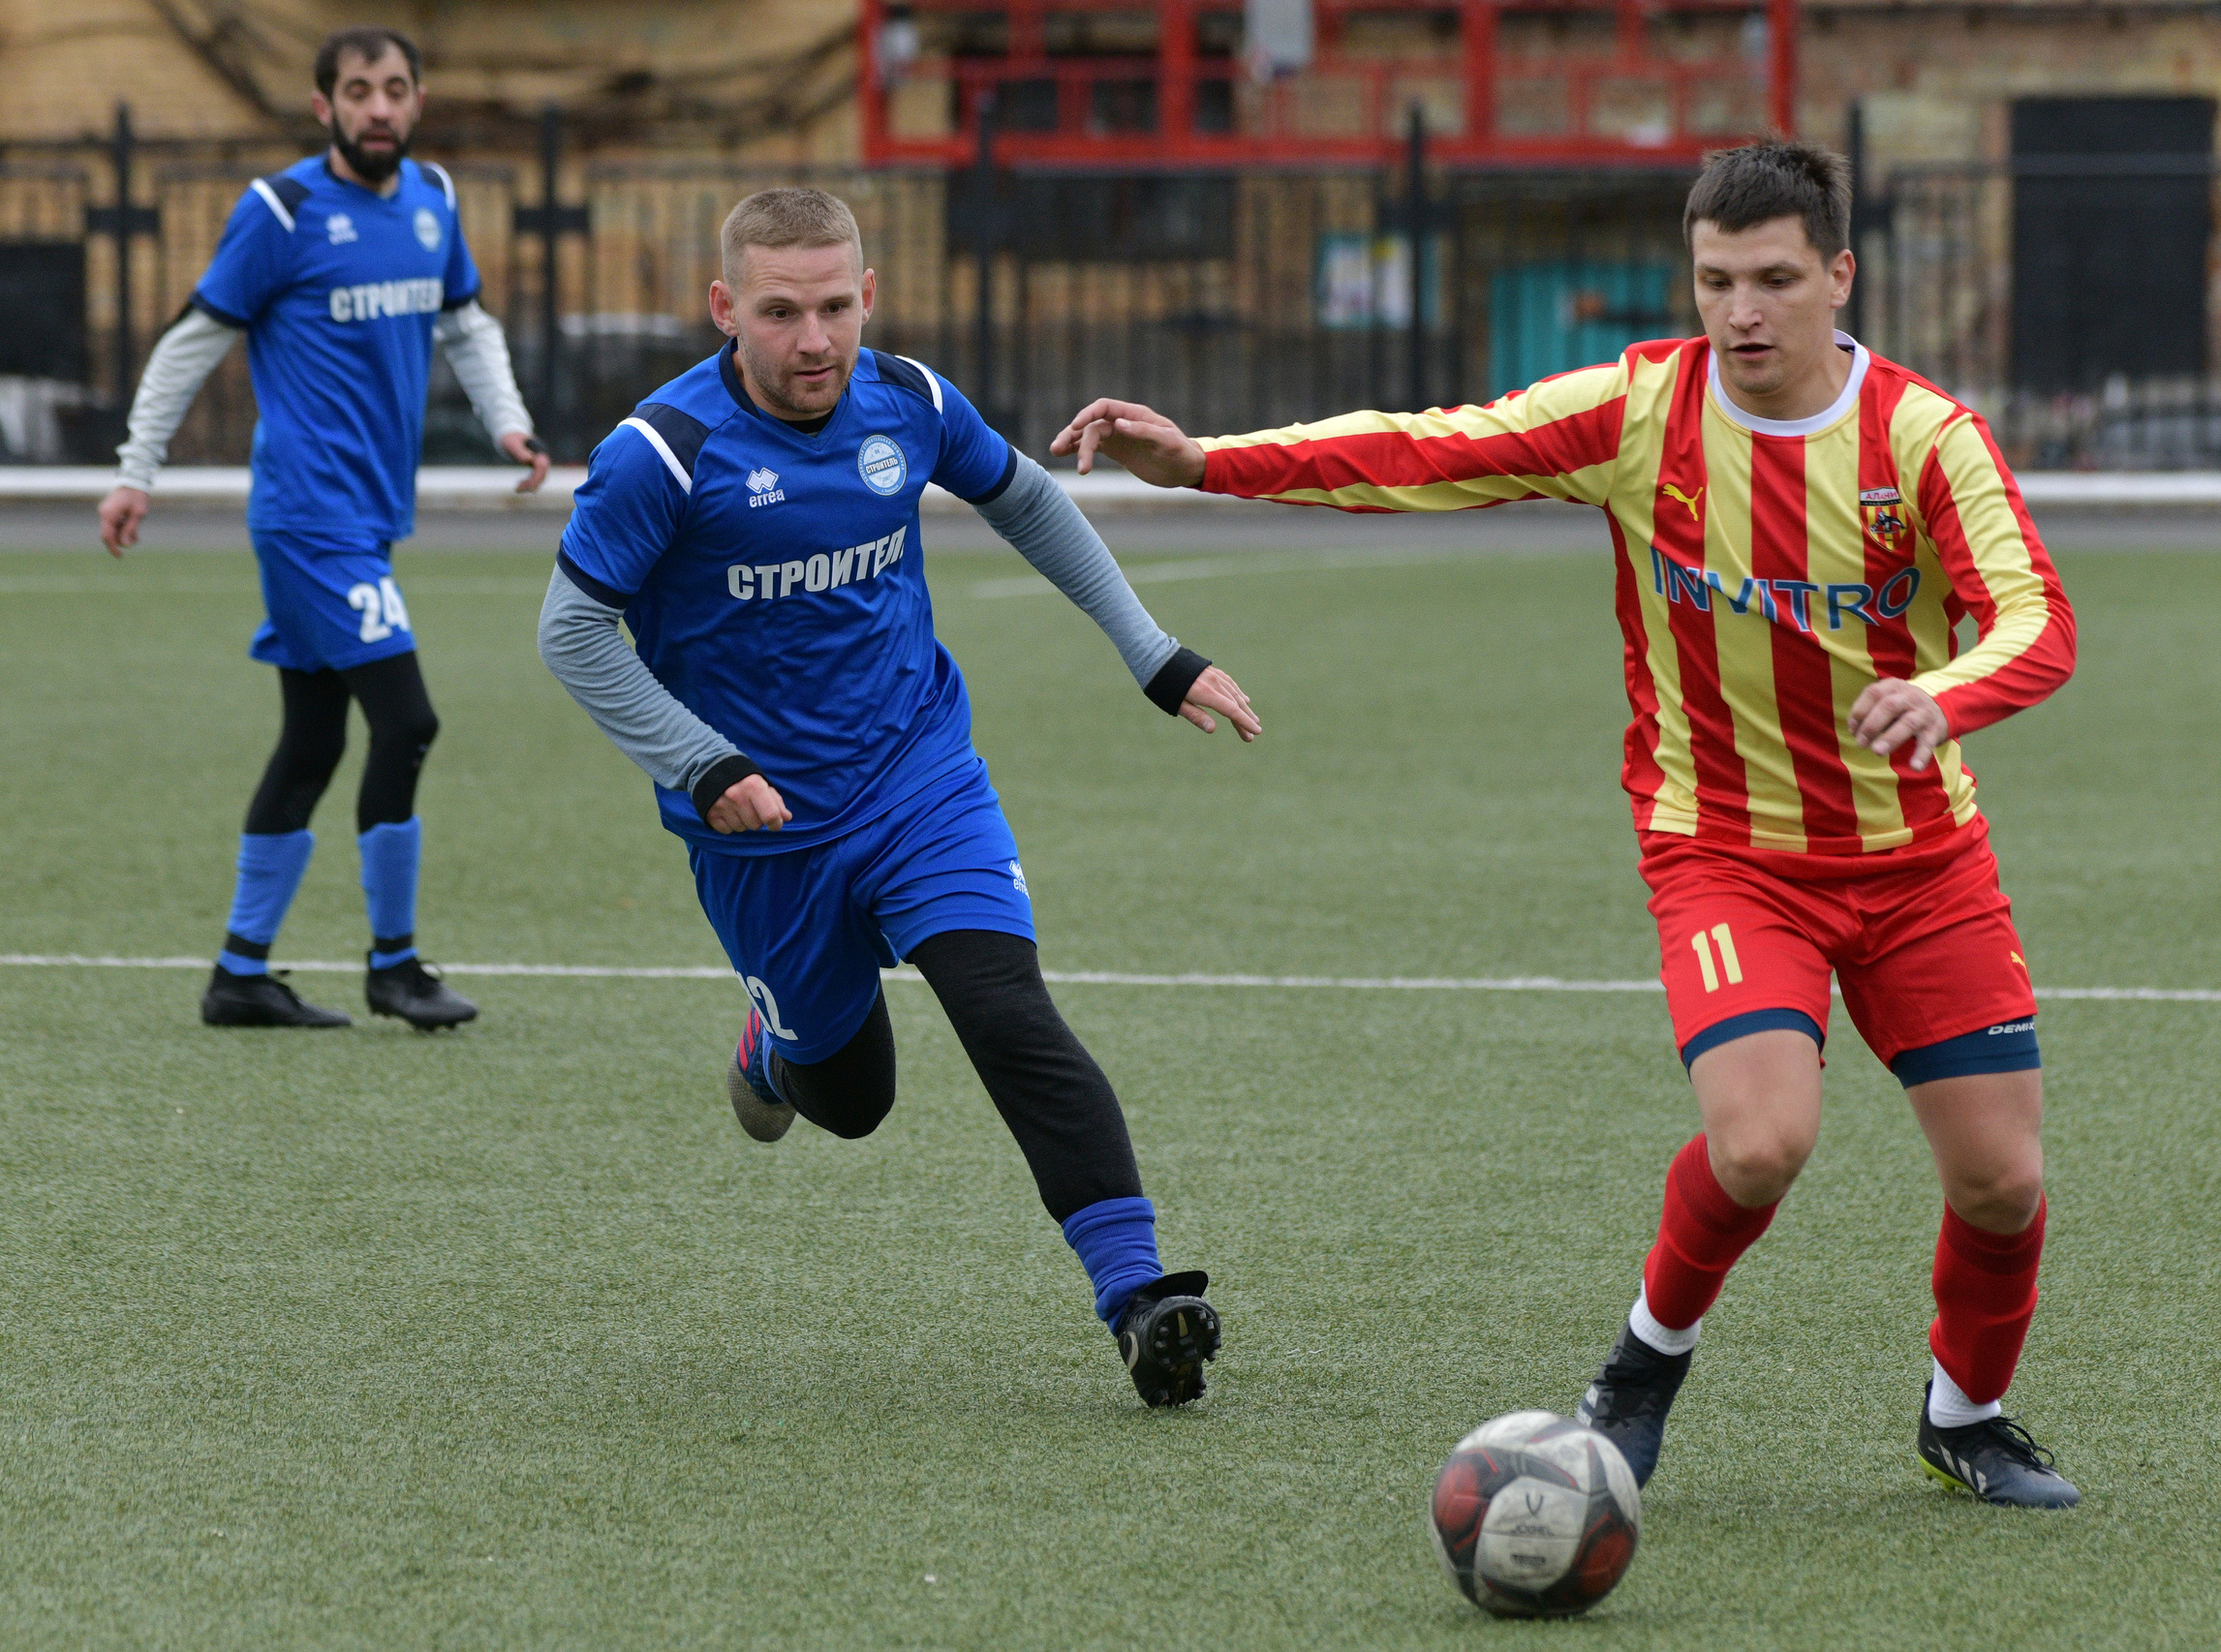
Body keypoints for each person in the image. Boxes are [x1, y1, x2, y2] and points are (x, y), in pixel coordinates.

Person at [1052, 141, 2082, 1502]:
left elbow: (2040, 621)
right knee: (1762, 1140)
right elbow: (1431, 445)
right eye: (1716, 280)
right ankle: (1643, 1365)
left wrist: (1942, 694)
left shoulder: (1923, 437)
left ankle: (1967, 1415)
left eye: (1775, 279)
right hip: (1725, 852)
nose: (1742, 311)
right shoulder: (1641, 409)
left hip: (1920, 858)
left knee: (2003, 1182)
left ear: (1839, 275)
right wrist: (1202, 462)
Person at [538, 188, 1257, 1407]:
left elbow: (1025, 498)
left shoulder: (909, 401)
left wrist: (1155, 653)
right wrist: (703, 763)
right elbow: (573, 632)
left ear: (867, 295)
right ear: (726, 309)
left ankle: (1141, 1298)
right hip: (761, 835)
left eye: (834, 306)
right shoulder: (665, 451)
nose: (813, 339)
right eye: (779, 312)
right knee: (853, 1099)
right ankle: (776, 1050)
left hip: (918, 776)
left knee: (1004, 1004)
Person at [98, 26, 548, 1031]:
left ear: (418, 100)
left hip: (368, 518)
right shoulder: (281, 211)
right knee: (408, 720)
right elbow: (187, 343)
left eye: (394, 89)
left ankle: (238, 974)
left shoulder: (433, 200)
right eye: (357, 91)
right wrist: (135, 473)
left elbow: (466, 323)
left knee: (310, 742)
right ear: (324, 108)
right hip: (308, 517)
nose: (378, 107)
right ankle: (395, 965)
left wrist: (507, 421)